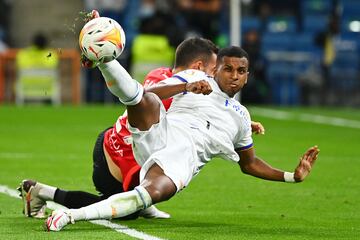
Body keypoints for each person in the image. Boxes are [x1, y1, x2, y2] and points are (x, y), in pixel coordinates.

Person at [44, 46, 319, 231]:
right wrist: (186, 85)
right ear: (215, 70)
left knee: (146, 197)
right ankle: (104, 57)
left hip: (180, 163)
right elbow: (152, 90)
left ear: (247, 76)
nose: (234, 76)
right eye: (228, 69)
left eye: (241, 71)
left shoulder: (241, 117)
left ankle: (68, 216)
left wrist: (291, 176)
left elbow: (249, 164)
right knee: (146, 100)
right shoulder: (195, 78)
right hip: (159, 133)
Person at [18, 36, 220, 220]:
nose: (214, 78)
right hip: (116, 155)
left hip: (123, 145)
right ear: (198, 66)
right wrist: (186, 86)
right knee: (125, 210)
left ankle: (145, 203)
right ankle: (41, 192)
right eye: (212, 71)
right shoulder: (166, 82)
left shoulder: (166, 77)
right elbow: (144, 96)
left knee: (164, 166)